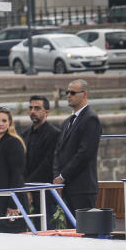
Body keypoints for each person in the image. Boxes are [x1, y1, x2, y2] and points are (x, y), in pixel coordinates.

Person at [53, 79, 102, 212]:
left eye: (73, 92)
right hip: (67, 187)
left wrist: (62, 177)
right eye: (67, 92)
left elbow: (85, 153)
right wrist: (57, 178)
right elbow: (59, 152)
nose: (69, 95)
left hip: (83, 188)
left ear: (85, 94)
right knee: (71, 230)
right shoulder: (67, 122)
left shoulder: (91, 119)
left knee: (84, 230)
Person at [22, 95, 61, 227]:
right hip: (26, 190)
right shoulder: (25, 135)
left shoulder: (54, 134)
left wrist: (28, 186)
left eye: (37, 108)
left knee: (46, 227)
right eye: (31, 108)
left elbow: (47, 164)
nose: (33, 111)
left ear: (47, 112)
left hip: (45, 191)